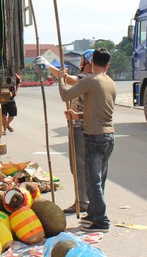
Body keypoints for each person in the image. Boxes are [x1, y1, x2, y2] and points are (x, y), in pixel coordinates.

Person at [56, 48, 116, 232]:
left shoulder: (91, 80)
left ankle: (101, 221)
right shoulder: (110, 82)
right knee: (99, 180)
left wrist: (60, 77)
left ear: (91, 62)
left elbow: (65, 95)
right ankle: (93, 213)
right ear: (107, 65)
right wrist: (78, 116)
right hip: (108, 136)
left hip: (94, 136)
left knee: (93, 181)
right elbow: (99, 112)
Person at [35, 49, 94, 213]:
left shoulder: (87, 79)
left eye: (82, 60)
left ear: (86, 62)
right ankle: (85, 200)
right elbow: (66, 78)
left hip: (80, 127)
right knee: (80, 165)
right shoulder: (91, 79)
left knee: (78, 166)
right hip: (81, 126)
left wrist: (48, 66)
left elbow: (67, 79)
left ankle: (83, 201)